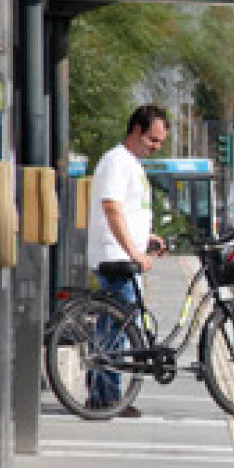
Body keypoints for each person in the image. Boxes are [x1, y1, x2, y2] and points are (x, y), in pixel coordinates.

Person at [85, 104, 169, 417]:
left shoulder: (129, 163)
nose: (156, 147)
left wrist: (145, 240)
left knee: (117, 326)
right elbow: (112, 208)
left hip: (123, 252)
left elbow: (129, 212)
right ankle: (106, 398)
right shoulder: (117, 161)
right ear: (136, 130)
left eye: (160, 141)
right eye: (153, 140)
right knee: (116, 328)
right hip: (115, 256)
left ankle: (106, 395)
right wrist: (133, 251)